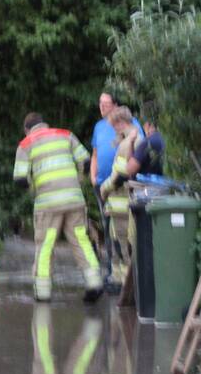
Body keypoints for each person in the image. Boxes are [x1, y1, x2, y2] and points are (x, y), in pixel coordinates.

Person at [13, 112, 102, 303]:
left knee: (45, 245)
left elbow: (20, 179)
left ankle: (43, 292)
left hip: (47, 204)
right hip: (74, 200)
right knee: (80, 239)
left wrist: (34, 189)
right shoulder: (65, 134)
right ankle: (94, 282)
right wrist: (79, 181)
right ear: (45, 124)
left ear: (27, 129)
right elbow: (86, 162)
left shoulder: (26, 144)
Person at [98, 107, 139, 288]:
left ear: (121, 123)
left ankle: (124, 285)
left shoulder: (127, 144)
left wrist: (104, 188)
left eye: (114, 126)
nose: (114, 129)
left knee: (122, 246)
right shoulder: (131, 140)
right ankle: (119, 279)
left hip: (121, 204)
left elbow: (120, 175)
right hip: (123, 204)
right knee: (120, 244)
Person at [125, 106, 165, 178]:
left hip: (151, 187)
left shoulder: (147, 143)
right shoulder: (171, 140)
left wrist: (131, 142)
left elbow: (130, 170)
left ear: (147, 125)